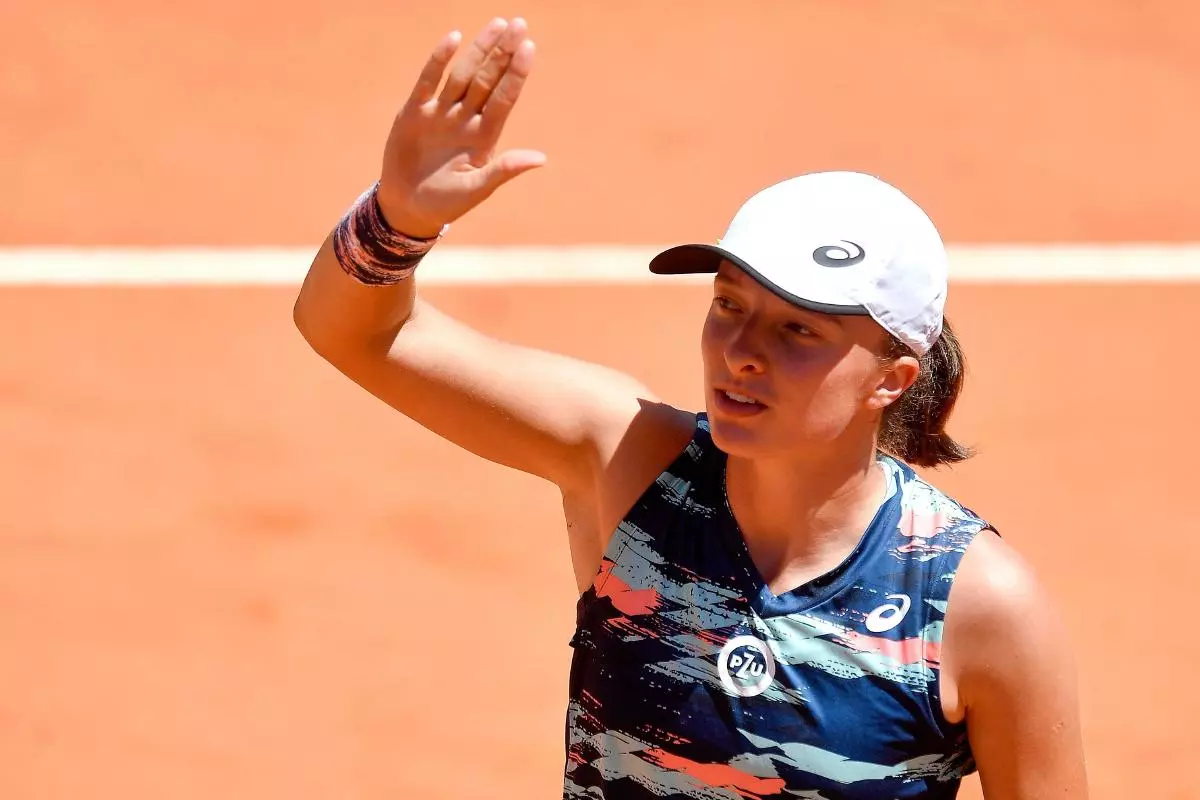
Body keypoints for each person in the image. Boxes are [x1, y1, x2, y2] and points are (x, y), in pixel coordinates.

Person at [293, 16, 1089, 800]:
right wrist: (399, 220)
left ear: (892, 377)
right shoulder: (629, 462)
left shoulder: (973, 605)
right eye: (728, 305)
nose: (741, 350)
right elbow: (356, 333)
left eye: (797, 330)